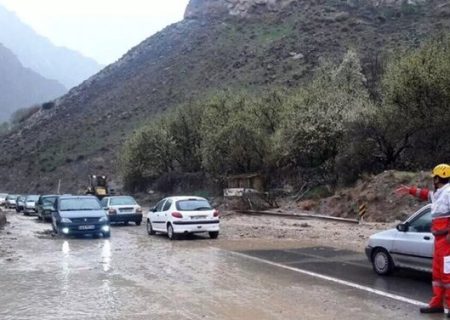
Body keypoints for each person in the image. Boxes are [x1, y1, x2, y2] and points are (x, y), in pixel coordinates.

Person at [396, 164, 450, 315]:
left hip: (446, 240)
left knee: (447, 274)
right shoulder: (440, 193)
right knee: (438, 275)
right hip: (439, 239)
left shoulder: (449, 192)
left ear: (438, 178)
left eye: (434, 177)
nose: (433, 180)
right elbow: (426, 194)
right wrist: (410, 190)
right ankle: (437, 303)